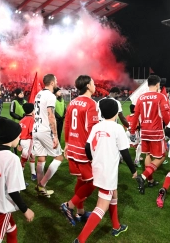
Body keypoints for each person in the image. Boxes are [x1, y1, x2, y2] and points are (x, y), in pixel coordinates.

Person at [74, 99, 137, 243]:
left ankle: (116, 226)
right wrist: (133, 170)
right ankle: (80, 239)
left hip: (98, 167)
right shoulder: (117, 128)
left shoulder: (97, 126)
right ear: (116, 112)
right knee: (101, 206)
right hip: (108, 171)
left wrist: (91, 159)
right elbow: (125, 152)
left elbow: (87, 146)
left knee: (113, 193)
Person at [61, 75, 99, 226]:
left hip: (73, 147)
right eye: (93, 83)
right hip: (84, 149)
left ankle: (80, 213)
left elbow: (67, 124)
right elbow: (92, 129)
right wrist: (95, 149)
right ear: (88, 86)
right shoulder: (91, 104)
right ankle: (68, 205)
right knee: (92, 182)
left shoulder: (72, 102)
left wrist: (67, 144)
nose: (94, 85)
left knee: (81, 180)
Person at [130, 75, 170, 194]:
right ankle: (143, 176)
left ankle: (151, 180)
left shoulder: (141, 97)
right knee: (162, 155)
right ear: (158, 84)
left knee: (148, 154)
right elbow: (165, 116)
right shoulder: (160, 96)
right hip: (156, 131)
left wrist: (133, 130)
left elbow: (135, 116)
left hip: (144, 131)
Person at [32, 74, 63, 197]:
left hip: (36, 129)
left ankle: (41, 188)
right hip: (45, 130)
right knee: (59, 157)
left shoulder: (38, 94)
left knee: (41, 158)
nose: (57, 82)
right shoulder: (50, 96)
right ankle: (41, 185)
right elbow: (51, 115)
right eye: (56, 80)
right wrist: (55, 135)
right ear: (51, 83)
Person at [19, 103, 37, 181]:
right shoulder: (31, 120)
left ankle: (33, 173)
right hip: (28, 141)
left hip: (22, 141)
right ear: (32, 110)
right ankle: (19, 176)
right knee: (24, 158)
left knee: (31, 156)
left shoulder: (22, 119)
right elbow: (31, 132)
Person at [10, 88, 26, 155]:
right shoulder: (14, 102)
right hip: (16, 123)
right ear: (16, 94)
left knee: (23, 138)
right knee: (16, 138)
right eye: (20, 93)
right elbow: (11, 112)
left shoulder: (25, 102)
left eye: (22, 93)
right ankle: (15, 152)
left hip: (24, 123)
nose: (22, 94)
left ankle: (23, 152)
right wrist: (20, 118)